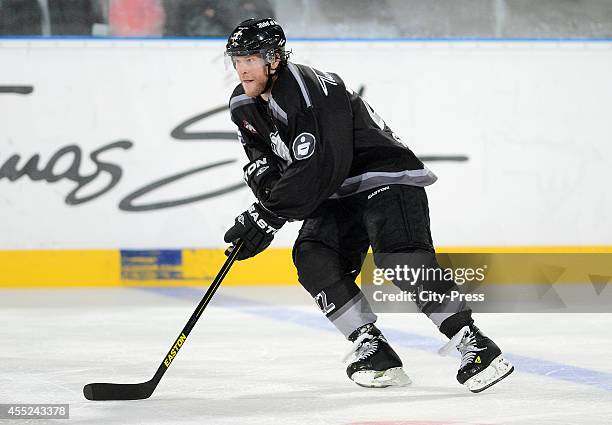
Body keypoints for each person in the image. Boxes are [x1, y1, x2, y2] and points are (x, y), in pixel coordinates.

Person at [223, 17, 514, 392]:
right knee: (313, 256)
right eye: (237, 59)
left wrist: (269, 214)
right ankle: (373, 349)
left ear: (274, 58)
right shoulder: (243, 106)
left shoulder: (303, 89)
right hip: (337, 191)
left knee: (401, 258)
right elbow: (263, 167)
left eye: (251, 58)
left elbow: (319, 164)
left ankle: (474, 344)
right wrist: (265, 212)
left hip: (384, 176)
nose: (243, 67)